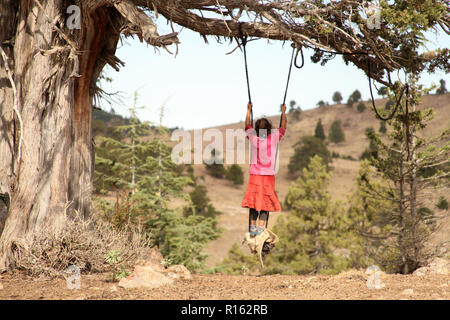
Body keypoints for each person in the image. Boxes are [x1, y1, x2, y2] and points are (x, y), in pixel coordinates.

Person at [241, 102, 287, 237]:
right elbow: (283, 127)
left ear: (256, 129)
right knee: (266, 203)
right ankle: (261, 229)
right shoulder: (273, 139)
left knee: (254, 203)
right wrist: (283, 112)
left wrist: (248, 110)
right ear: (269, 130)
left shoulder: (253, 139)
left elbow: (246, 125)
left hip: (255, 176)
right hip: (268, 176)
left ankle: (253, 229)